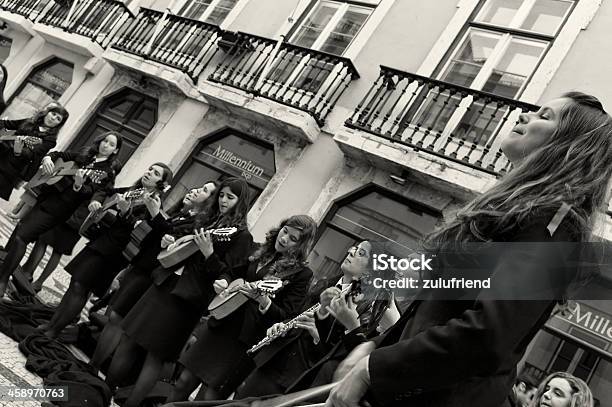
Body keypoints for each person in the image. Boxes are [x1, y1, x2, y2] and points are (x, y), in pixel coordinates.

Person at [325, 92, 612, 407]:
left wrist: (374, 369)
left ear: (570, 146)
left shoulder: (555, 225)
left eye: (544, 116)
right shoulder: (524, 212)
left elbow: (489, 333)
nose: (524, 116)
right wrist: (376, 347)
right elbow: (438, 313)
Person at [106, 177, 253, 407]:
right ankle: (102, 393)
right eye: (222, 195)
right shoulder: (207, 217)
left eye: (230, 197)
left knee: (156, 356)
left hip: (188, 300)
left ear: (241, 201)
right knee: (129, 337)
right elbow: (178, 233)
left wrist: (209, 254)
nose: (224, 200)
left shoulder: (242, 237)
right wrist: (170, 240)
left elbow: (227, 276)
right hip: (164, 283)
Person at [168, 214, 317, 402]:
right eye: (285, 231)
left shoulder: (301, 274)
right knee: (183, 381)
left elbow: (287, 316)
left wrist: (265, 302)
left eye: (293, 239)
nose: (284, 238)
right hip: (223, 322)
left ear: (300, 246)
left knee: (207, 398)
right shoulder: (260, 250)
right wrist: (224, 281)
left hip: (245, 339)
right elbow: (232, 273)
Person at [235, 240, 397, 399]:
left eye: (361, 253)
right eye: (354, 248)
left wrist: (316, 337)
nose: (351, 252)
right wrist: (281, 325)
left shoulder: (364, 307)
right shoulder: (326, 283)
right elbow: (295, 315)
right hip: (273, 360)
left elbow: (340, 355)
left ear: (370, 271)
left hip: (298, 377)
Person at [89, 182, 219, 370]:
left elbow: (172, 242)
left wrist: (156, 214)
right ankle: (96, 362)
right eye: (200, 186)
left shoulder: (198, 224)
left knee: (118, 319)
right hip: (141, 265)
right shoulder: (182, 213)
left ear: (209, 201)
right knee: (114, 317)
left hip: (152, 274)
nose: (196, 189)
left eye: (204, 190)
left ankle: (95, 366)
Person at [40, 162, 173, 338]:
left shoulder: (154, 205)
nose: (149, 172)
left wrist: (126, 212)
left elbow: (141, 233)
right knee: (75, 283)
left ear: (161, 183)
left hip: (114, 253)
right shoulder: (134, 190)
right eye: (149, 169)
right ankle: (52, 324)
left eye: (155, 173)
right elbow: (106, 191)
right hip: (102, 241)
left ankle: (54, 331)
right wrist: (96, 201)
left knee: (81, 287)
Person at [0, 130, 117, 298]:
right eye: (105, 141)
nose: (106, 145)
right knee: (20, 232)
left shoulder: (105, 172)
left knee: (22, 237)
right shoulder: (86, 156)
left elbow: (91, 192)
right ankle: (4, 274)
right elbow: (58, 154)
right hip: (46, 197)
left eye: (112, 144)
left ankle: (3, 280)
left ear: (115, 151)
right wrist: (48, 159)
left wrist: (78, 185)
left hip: (59, 210)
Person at [0, 102, 69, 202]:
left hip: (12, 167)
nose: (54, 118)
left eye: (58, 119)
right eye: (53, 114)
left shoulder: (50, 140)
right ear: (47, 112)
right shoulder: (29, 122)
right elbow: (7, 124)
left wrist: (17, 148)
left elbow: (29, 154)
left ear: (59, 124)